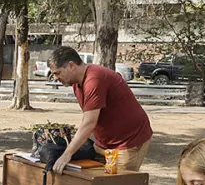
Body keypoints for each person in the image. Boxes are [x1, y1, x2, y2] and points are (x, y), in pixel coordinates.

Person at [47, 46, 153, 174]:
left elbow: (89, 122)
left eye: (57, 73)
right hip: (103, 143)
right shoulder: (76, 83)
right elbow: (88, 116)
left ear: (71, 65)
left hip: (127, 142)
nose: (56, 78)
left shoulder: (94, 79)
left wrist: (66, 155)